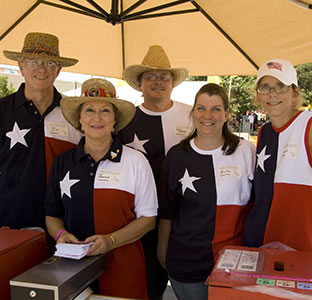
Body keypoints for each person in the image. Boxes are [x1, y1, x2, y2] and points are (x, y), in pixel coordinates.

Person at [45, 78, 158, 300]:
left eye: (105, 110)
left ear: (115, 120)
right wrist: (61, 234)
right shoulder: (63, 162)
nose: (97, 118)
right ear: (80, 119)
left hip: (123, 271)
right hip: (71, 273)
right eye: (89, 110)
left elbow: (148, 219)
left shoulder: (136, 161)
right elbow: (52, 214)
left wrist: (111, 241)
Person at [157, 83, 256, 300]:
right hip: (186, 261)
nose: (207, 115)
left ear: (227, 114)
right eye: (201, 108)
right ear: (193, 113)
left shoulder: (247, 151)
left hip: (234, 261)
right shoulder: (176, 156)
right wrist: (162, 252)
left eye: (216, 109)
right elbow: (167, 211)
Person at [119, 45, 193, 300]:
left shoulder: (192, 115)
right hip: (138, 217)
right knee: (148, 280)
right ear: (140, 84)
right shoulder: (125, 118)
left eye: (164, 76)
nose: (158, 81)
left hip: (185, 214)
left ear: (173, 83)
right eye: (150, 76)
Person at [0, 32, 81, 229]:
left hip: (65, 222)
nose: (42, 68)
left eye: (50, 63)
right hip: (9, 222)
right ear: (20, 66)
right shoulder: (2, 110)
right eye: (33, 62)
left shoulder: (75, 112)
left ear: (59, 70)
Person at [244, 59, 312, 251]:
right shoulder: (265, 132)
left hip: (300, 250)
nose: (272, 94)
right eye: (265, 87)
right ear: (258, 95)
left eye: (280, 86)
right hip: (262, 245)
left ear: (295, 93)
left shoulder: (308, 125)